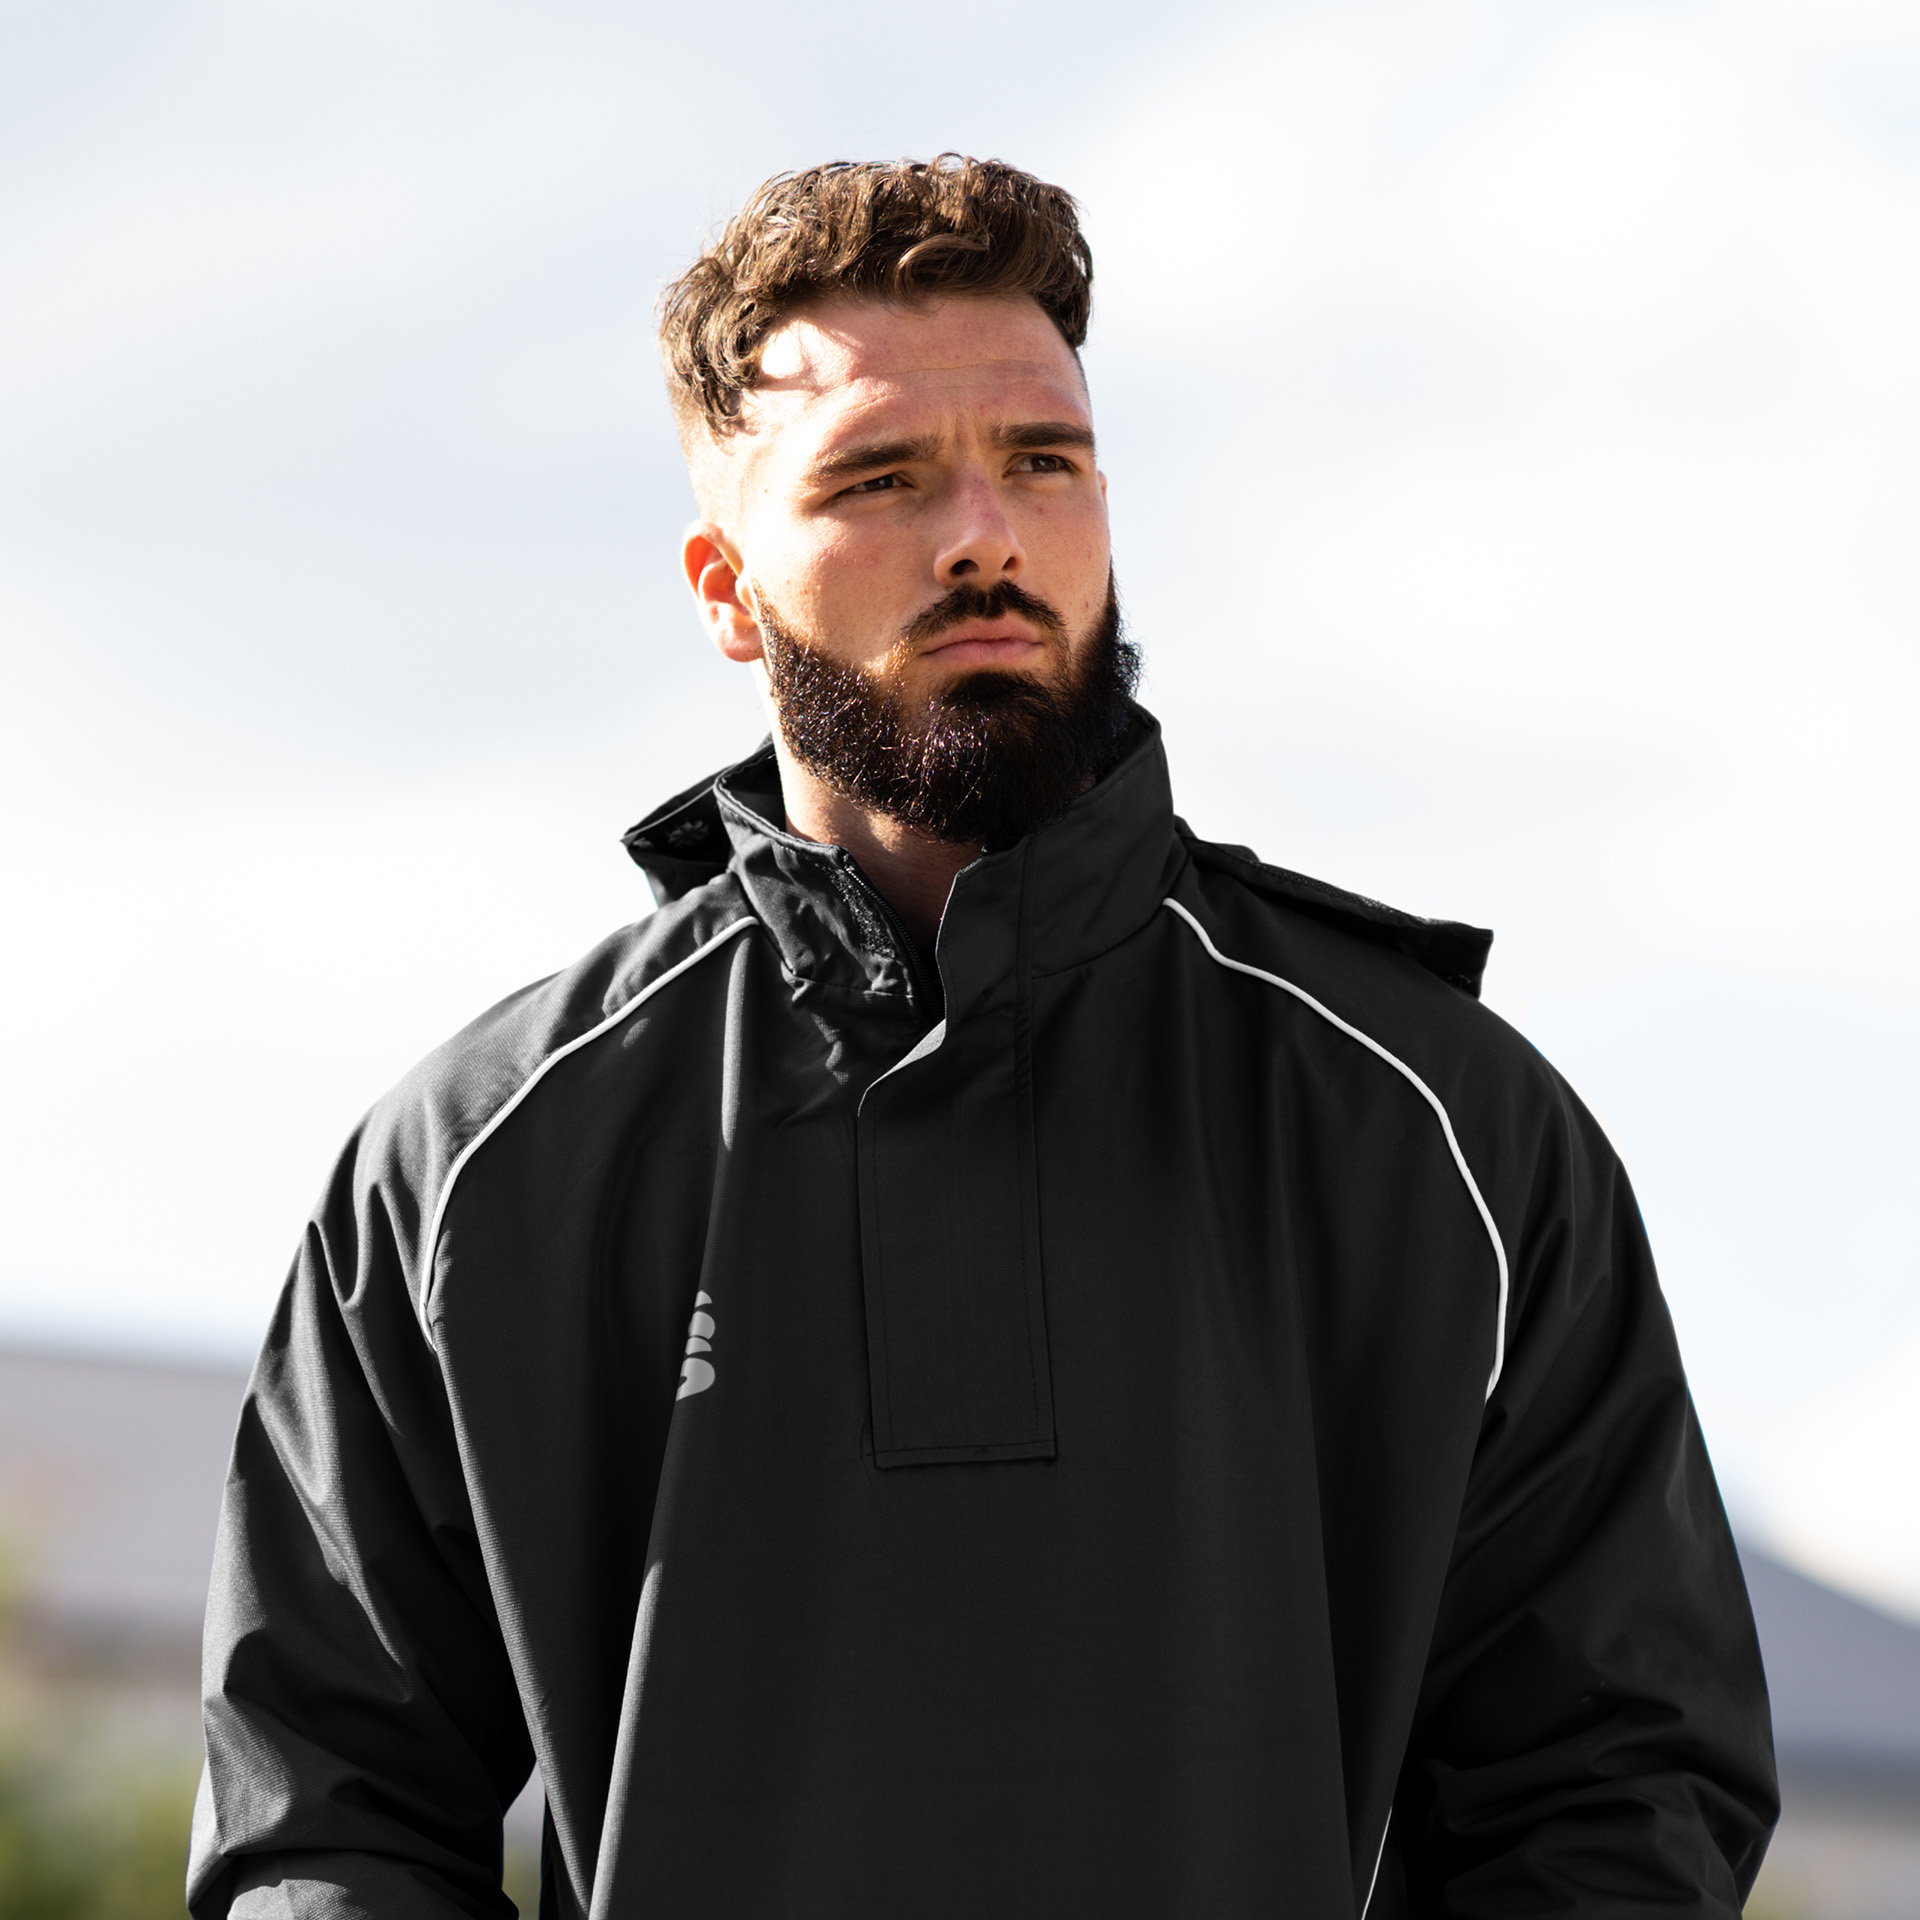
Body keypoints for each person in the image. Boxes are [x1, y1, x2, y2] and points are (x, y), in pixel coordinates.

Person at [189, 156, 1777, 1918]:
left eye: (1043, 460)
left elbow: (1617, 1784)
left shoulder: (1438, 1128)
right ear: (727, 590)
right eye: (881, 477)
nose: (986, 538)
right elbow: (322, 1818)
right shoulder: (476, 1171)